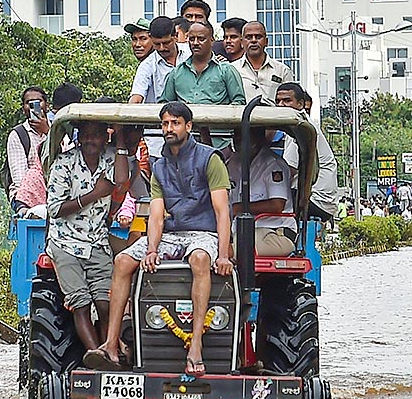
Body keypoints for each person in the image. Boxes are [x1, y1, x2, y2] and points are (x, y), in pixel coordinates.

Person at [89, 102, 233, 377]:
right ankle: (110, 344)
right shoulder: (161, 166)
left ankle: (196, 347)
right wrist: (152, 249)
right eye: (165, 123)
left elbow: (222, 211)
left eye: (176, 123)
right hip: (172, 233)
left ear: (188, 127)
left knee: (201, 259)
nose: (170, 128)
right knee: (122, 260)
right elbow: (156, 215)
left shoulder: (209, 158)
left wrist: (224, 253)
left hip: (203, 233)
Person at [46, 120, 132, 354]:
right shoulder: (64, 163)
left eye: (97, 135)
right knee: (81, 304)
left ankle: (109, 351)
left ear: (106, 137)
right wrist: (94, 195)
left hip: (97, 242)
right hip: (66, 242)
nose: (91, 140)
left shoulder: (111, 158)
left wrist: (121, 139)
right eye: (86, 135)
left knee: (107, 305)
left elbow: (122, 180)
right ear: (79, 137)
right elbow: (54, 208)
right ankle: (95, 355)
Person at [275, 82, 339, 223]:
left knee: (269, 200)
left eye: (287, 101)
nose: (281, 105)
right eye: (278, 101)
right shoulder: (299, 124)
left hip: (316, 200)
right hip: (320, 200)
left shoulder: (299, 126)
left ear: (300, 104)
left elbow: (288, 171)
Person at [226, 128, 297, 256]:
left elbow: (277, 205)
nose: (237, 141)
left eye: (242, 137)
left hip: (274, 231)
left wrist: (239, 208)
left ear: (258, 138)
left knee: (230, 251)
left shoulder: (273, 164)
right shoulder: (233, 162)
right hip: (240, 230)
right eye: (235, 137)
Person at [160, 20, 246, 105]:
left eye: (201, 39)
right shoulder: (177, 72)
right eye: (192, 39)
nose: (195, 43)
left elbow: (239, 102)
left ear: (212, 41)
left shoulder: (226, 70)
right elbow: (164, 104)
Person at [130, 16, 190, 105]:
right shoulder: (147, 65)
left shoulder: (190, 53)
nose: (162, 48)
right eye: (157, 44)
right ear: (151, 38)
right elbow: (136, 97)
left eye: (166, 43)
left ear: (176, 36)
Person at [6, 86, 50, 199]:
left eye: (38, 101)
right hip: (26, 194)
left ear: (47, 105)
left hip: (56, 191)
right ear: (23, 108)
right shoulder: (18, 135)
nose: (33, 105)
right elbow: (19, 177)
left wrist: (47, 132)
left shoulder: (58, 129)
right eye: (28, 103)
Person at [236, 20, 294, 103]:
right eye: (249, 37)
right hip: (242, 115)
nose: (253, 40)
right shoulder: (233, 69)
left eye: (258, 37)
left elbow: (290, 102)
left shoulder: (282, 71)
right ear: (242, 42)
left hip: (273, 115)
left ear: (266, 42)